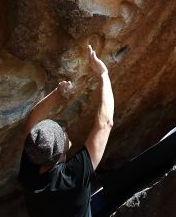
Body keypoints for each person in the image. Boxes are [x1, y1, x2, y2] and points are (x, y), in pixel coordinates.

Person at [18, 45, 114, 217]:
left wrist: (58, 93)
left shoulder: (29, 172)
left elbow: (31, 123)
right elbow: (105, 124)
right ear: (59, 153)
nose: (63, 128)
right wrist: (104, 74)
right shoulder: (72, 178)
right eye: (60, 132)